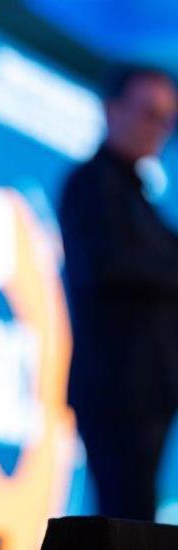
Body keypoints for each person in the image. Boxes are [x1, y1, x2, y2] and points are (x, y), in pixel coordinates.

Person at [59, 66, 178, 520]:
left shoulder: (142, 199)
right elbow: (109, 266)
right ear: (112, 110)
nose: (159, 129)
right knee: (124, 519)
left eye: (167, 119)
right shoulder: (91, 185)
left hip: (149, 391)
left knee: (137, 517)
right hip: (118, 391)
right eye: (149, 113)